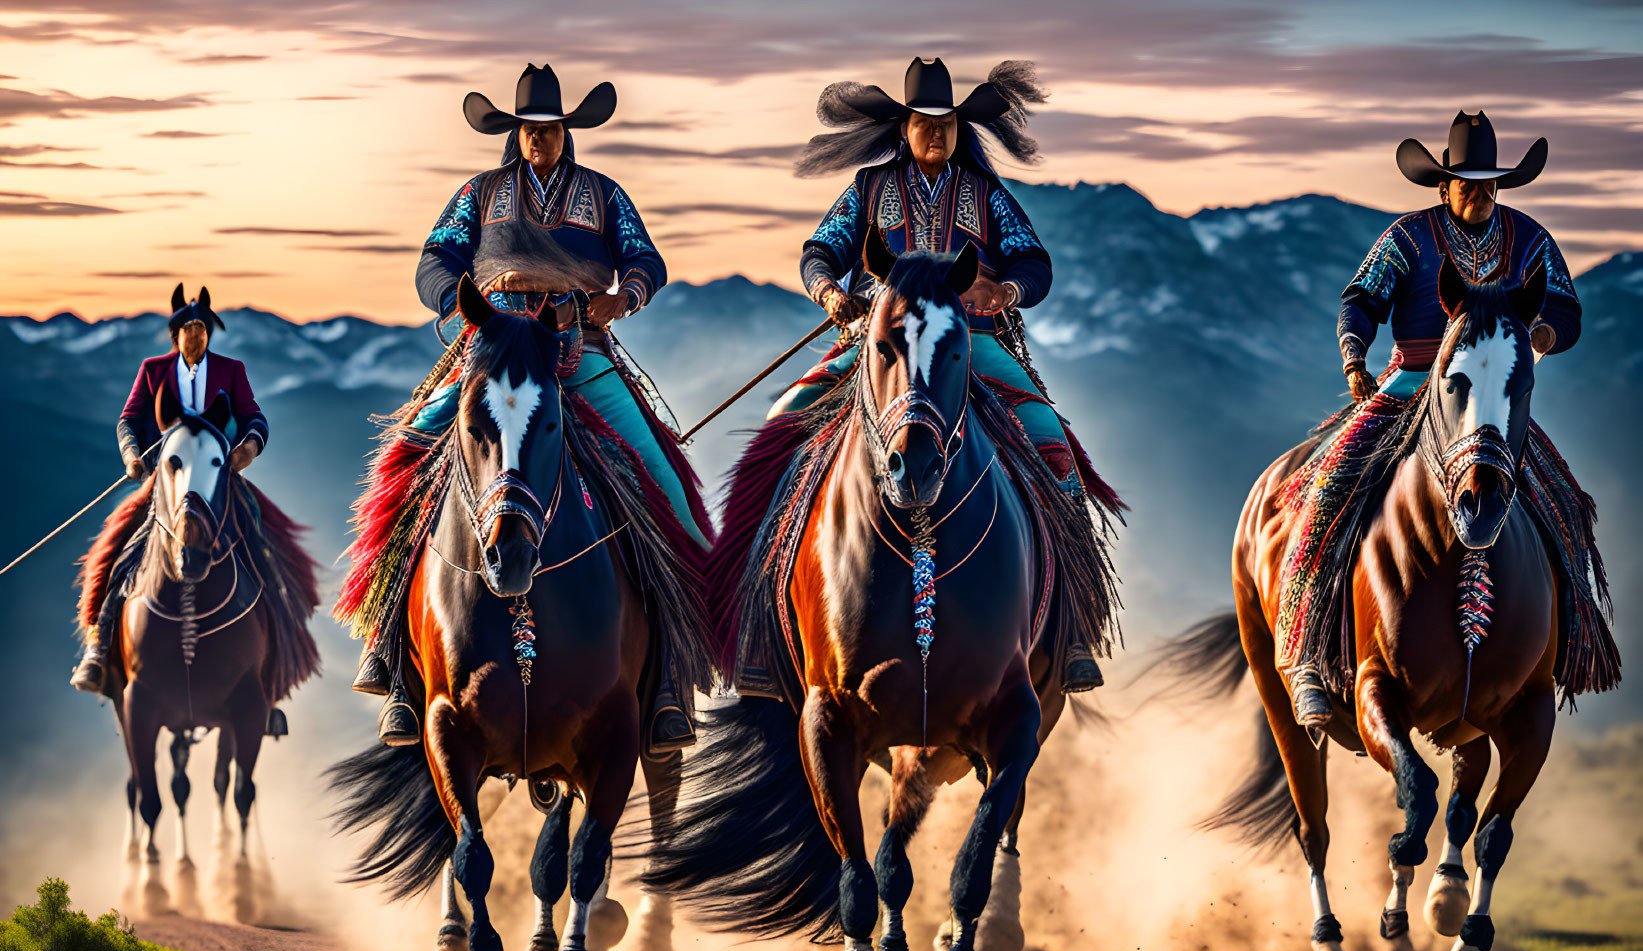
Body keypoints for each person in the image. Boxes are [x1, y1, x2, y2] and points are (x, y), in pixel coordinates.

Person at [352, 63, 713, 752]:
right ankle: (391, 652)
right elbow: (434, 260)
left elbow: (644, 261)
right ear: (513, 134)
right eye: (528, 130)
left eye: (549, 130)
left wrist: (621, 297)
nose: (539, 140)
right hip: (491, 348)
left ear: (565, 133)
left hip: (576, 350)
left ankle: (674, 670)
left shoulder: (604, 195)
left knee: (664, 485)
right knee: (403, 466)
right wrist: (463, 299)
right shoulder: (477, 195)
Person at [774, 57, 1103, 693]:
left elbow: (1035, 260)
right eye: (924, 122)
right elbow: (821, 251)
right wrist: (828, 293)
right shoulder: (870, 190)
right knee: (780, 427)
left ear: (958, 128)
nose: (935, 133)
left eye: (946, 123)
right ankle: (761, 631)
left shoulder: (986, 195)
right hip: (881, 346)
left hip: (970, 343)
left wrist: (1007, 290)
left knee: (1058, 452)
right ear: (905, 128)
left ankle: (1074, 626)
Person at [1276, 110, 1586, 726]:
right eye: (1467, 183)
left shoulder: (1530, 239)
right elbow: (1362, 299)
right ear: (1442, 185)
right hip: (1413, 378)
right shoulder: (1408, 238)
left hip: (1493, 394)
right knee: (1328, 487)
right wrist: (1353, 357)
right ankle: (1306, 646)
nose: (1479, 193)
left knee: (1566, 505)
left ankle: (1571, 644)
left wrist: (1539, 337)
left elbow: (1566, 309)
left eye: (1489, 183)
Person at [71, 284, 267, 695]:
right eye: (189, 327)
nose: (197, 334)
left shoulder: (231, 370)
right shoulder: (153, 370)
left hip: (218, 480)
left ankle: (270, 672)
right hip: (166, 480)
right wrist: (132, 456)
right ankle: (97, 646)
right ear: (175, 333)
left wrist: (248, 447)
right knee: (121, 550)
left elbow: (254, 417)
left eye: (203, 327)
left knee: (266, 554)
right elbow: (129, 419)